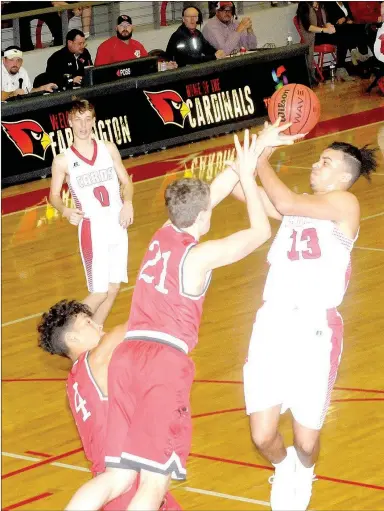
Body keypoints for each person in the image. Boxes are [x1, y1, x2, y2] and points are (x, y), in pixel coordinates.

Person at [63, 123, 303, 510]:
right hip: (162, 362)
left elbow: (213, 192)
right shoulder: (199, 257)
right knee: (152, 487)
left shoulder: (162, 233)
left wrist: (260, 146)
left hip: (127, 360)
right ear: (204, 217)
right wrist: (247, 172)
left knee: (117, 476)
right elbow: (260, 232)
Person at [236, 132, 377, 510]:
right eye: (318, 159)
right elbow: (244, 190)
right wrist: (259, 148)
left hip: (315, 330)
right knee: (264, 437)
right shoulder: (298, 208)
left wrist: (263, 162)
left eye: (325, 162)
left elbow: (282, 199)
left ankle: (306, 472)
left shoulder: (345, 204)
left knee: (307, 442)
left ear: (343, 176)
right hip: (271, 324)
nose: (315, 165)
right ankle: (284, 470)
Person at [37, 299, 181, 511]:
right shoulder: (96, 360)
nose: (98, 325)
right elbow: (136, 323)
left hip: (115, 482)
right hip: (129, 485)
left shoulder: (75, 381)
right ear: (72, 338)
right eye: (88, 322)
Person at [49, 99, 134, 327]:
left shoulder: (108, 148)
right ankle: (66, 334)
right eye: (78, 120)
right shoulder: (63, 161)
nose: (83, 126)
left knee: (114, 287)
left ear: (94, 121)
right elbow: (54, 196)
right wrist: (65, 210)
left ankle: (94, 333)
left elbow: (126, 182)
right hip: (92, 229)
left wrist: (128, 203)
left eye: (88, 120)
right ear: (69, 122)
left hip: (118, 224)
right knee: (99, 291)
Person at [296, 1, 356, 81]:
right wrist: (324, 30)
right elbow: (308, 27)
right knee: (342, 37)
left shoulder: (321, 4)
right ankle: (341, 69)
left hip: (322, 33)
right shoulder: (304, 5)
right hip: (312, 36)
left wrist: (329, 27)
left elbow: (326, 21)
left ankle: (341, 68)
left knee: (343, 33)